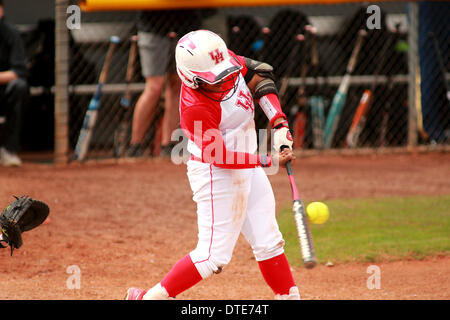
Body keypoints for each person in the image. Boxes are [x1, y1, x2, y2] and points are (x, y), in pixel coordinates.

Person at [125, 30, 300, 300]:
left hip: (247, 163)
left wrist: (278, 123)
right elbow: (219, 155)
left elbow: (258, 76)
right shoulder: (194, 106)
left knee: (268, 240)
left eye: (225, 75)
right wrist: (267, 160)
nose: (225, 82)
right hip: (216, 173)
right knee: (212, 257)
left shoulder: (220, 61)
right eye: (214, 80)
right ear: (191, 78)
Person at [127, 10, 203, 157]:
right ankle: (135, 144)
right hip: (153, 25)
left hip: (185, 26)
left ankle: (167, 144)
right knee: (154, 86)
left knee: (177, 84)